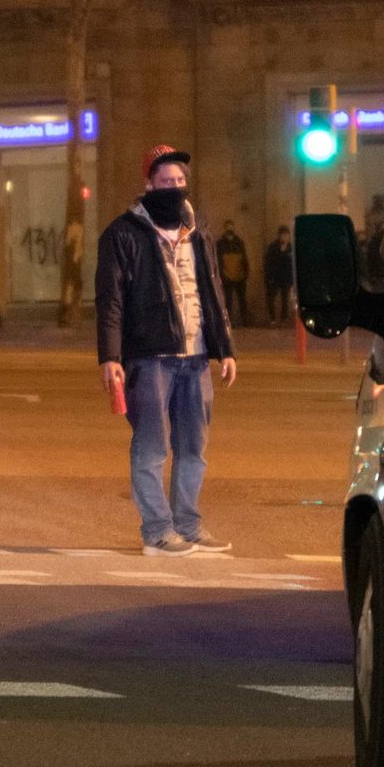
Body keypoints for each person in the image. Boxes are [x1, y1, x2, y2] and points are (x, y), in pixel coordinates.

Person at [96, 144, 238, 557]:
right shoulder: (122, 234)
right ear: (148, 185)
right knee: (152, 447)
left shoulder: (200, 231)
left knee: (193, 448)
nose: (174, 187)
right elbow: (111, 301)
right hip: (148, 357)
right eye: (165, 181)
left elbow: (212, 292)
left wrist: (224, 348)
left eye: (179, 181)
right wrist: (110, 357)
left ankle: (188, 525)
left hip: (195, 358)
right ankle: (158, 532)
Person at [215, 219, 249, 325]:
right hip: (227, 277)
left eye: (231, 227)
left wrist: (246, 273)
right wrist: (221, 276)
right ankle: (229, 323)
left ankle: (245, 322)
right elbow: (218, 261)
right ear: (225, 228)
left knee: (242, 300)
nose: (230, 229)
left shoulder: (239, 243)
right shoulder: (219, 244)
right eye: (228, 227)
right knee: (228, 301)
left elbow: (244, 259)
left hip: (240, 276)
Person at [264, 225, 295, 324]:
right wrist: (268, 278)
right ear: (279, 236)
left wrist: (292, 280)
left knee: (285, 300)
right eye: (283, 235)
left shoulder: (291, 248)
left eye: (286, 235)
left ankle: (283, 319)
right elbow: (268, 263)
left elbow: (293, 264)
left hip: (286, 278)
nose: (285, 237)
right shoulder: (273, 247)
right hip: (274, 278)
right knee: (270, 298)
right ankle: (272, 319)